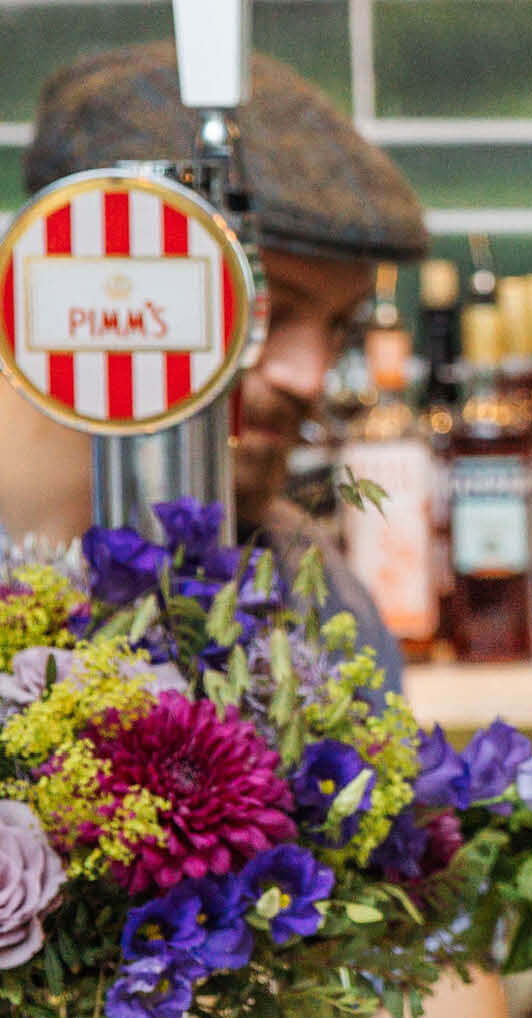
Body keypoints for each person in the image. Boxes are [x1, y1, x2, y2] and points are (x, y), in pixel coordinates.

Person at [0, 45, 420, 674]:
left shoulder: (309, 586)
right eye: (259, 309)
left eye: (340, 327)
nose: (310, 377)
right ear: (77, 285)